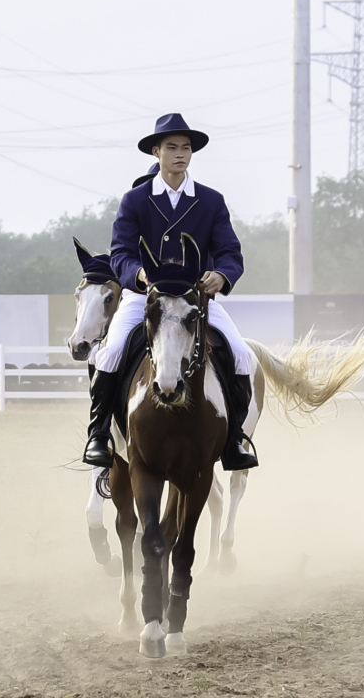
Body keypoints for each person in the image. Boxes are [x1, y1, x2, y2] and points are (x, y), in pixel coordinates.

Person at [82, 113, 258, 471]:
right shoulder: (135, 199)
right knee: (111, 350)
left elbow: (229, 251)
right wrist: (138, 274)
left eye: (186, 148)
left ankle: (235, 438)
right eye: (173, 147)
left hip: (195, 297)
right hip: (144, 295)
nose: (181, 154)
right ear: (156, 151)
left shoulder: (210, 200)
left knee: (240, 354)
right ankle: (99, 433)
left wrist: (221, 276)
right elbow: (121, 253)